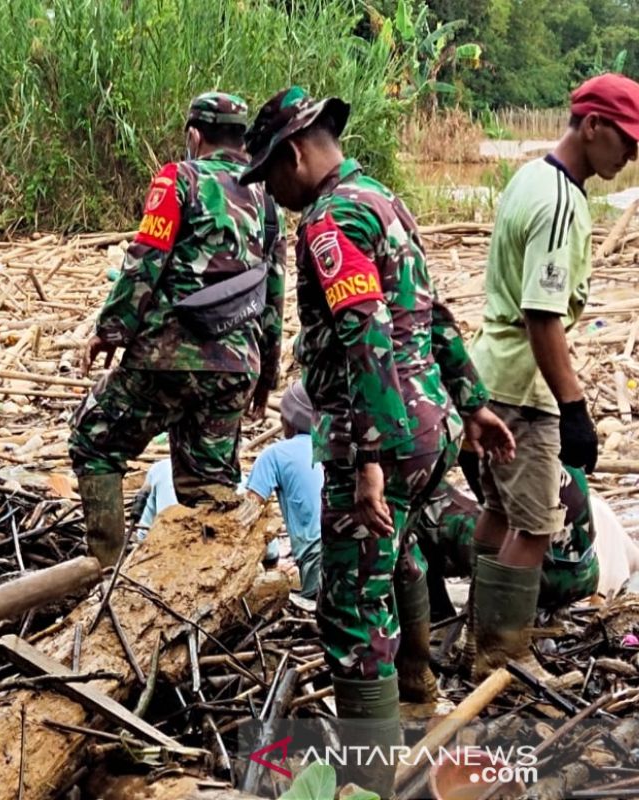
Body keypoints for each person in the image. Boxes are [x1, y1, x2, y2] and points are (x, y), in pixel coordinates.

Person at [241, 87, 514, 795]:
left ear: (295, 154)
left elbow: (364, 335)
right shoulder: (384, 200)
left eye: (270, 174)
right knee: (401, 555)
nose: (272, 190)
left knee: (353, 605)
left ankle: (372, 776)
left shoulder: (331, 221)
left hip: (383, 436)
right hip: (431, 427)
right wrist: (473, 403)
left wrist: (365, 458)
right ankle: (420, 692)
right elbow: (434, 312)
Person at [468, 74, 639, 679]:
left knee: (495, 510)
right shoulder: (562, 201)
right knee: (537, 525)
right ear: (592, 125)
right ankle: (499, 651)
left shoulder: (527, 178)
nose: (629, 155)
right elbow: (542, 316)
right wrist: (573, 407)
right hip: (524, 386)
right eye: (625, 140)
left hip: (490, 374)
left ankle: (475, 632)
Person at [69, 92, 286, 568]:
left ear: (194, 135)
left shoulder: (178, 179)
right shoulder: (268, 198)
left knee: (94, 439)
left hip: (164, 360)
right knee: (208, 485)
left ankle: (103, 574)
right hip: (234, 368)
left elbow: (145, 260)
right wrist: (265, 375)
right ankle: (205, 589)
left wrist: (111, 331)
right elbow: (274, 293)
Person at [134, 381, 322, 598]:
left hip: (317, 559)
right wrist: (274, 565)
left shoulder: (274, 455)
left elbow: (248, 519)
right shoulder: (338, 451)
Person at [416, 467, 600, 621]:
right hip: (587, 574)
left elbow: (490, 501)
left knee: (415, 529)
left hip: (537, 582)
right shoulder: (560, 448)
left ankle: (439, 618)